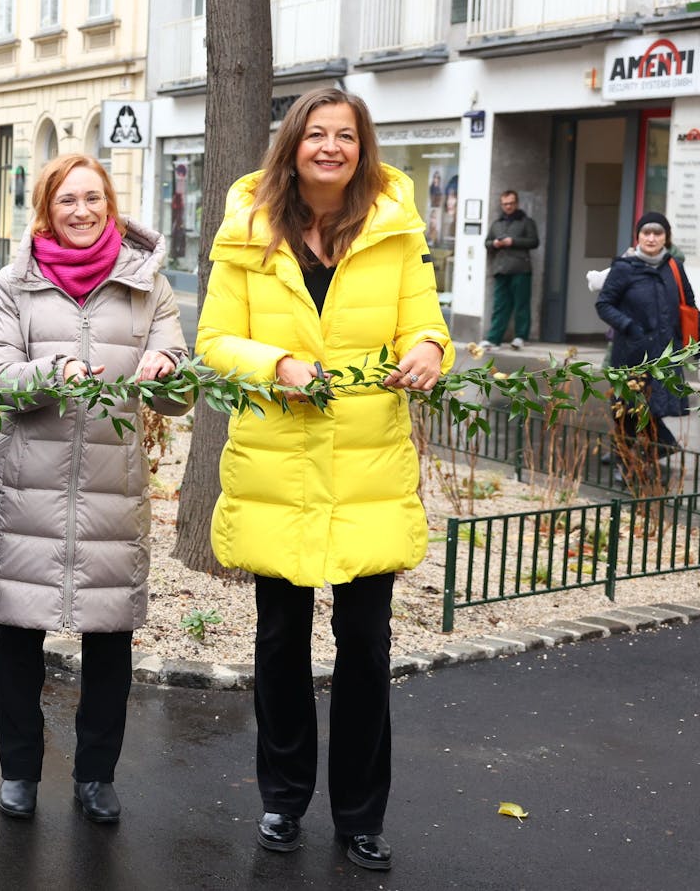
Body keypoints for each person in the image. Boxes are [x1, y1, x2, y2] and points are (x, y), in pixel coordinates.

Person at [196, 87, 454, 872]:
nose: (332, 147)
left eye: (346, 135)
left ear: (362, 146)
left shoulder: (394, 228)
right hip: (277, 461)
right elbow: (214, 338)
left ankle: (361, 813)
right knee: (279, 642)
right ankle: (282, 797)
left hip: (367, 465)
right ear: (293, 144)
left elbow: (426, 323)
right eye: (317, 134)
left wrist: (432, 353)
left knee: (366, 648)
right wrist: (276, 364)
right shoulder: (249, 227)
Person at [0, 153, 190, 824]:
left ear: (110, 203)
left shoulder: (146, 284)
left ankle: (96, 775)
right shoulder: (17, 282)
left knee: (109, 637)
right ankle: (19, 772)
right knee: (17, 633)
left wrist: (165, 369)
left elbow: (181, 390)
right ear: (47, 207)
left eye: (93, 197)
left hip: (110, 488)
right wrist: (52, 369)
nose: (81, 210)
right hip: (27, 486)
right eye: (66, 199)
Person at [595, 211, 700, 476]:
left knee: (651, 405)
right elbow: (604, 304)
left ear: (666, 238)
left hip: (664, 352)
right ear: (638, 236)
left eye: (657, 233)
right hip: (630, 352)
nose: (651, 238)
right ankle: (625, 461)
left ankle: (651, 451)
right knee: (627, 408)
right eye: (646, 232)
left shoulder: (674, 267)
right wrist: (628, 326)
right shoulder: (624, 267)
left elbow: (688, 305)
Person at [482, 189, 539, 349]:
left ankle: (520, 337)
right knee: (500, 305)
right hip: (500, 269)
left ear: (517, 203)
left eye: (511, 203)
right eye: (505, 204)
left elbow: (534, 242)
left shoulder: (526, 222)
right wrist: (495, 244)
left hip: (521, 268)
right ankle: (494, 339)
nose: (508, 206)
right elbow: (487, 243)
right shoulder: (497, 223)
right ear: (501, 204)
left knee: (522, 304)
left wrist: (512, 241)